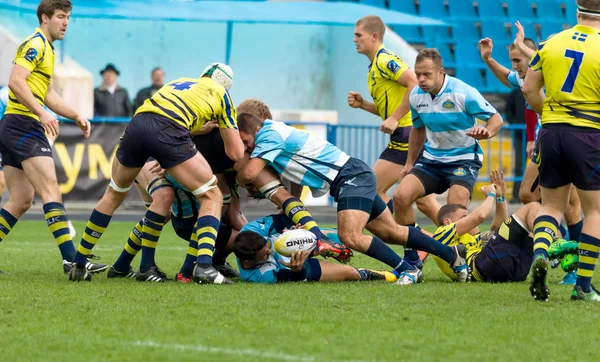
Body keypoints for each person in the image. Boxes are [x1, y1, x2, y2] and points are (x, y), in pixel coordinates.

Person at [237, 112, 470, 285]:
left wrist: (237, 160)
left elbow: (248, 173)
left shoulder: (268, 134)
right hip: (351, 175)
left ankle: (408, 268)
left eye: (245, 142)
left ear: (253, 130)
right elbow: (294, 175)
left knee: (350, 236)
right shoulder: (275, 133)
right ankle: (452, 254)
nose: (246, 148)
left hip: (349, 177)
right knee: (390, 232)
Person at [70, 74, 245, 284]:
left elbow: (165, 114)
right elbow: (236, 153)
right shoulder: (222, 95)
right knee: (212, 195)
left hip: (136, 126)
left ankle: (79, 263)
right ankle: (204, 267)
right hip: (166, 132)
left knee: (115, 194)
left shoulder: (181, 83)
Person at [0, 0, 105, 275]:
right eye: (60, 16)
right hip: (23, 124)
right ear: (45, 18)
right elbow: (15, 80)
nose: (66, 22)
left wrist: (75, 115)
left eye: (68, 17)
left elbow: (47, 94)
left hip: (14, 125)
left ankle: (71, 259)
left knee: (21, 200)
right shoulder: (35, 44)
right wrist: (41, 114)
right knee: (51, 192)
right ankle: (72, 259)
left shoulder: (47, 48)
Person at [522, 0, 600, 302]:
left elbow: (529, 90)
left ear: (577, 11)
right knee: (596, 211)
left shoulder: (550, 43)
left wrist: (552, 116)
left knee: (551, 206)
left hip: (551, 132)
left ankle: (540, 255)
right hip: (590, 134)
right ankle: (582, 286)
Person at [348, 15, 441, 267]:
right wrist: (364, 105)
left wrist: (396, 118)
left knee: (372, 189)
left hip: (406, 135)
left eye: (359, 35)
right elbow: (388, 111)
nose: (354, 39)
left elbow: (414, 83)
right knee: (422, 200)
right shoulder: (374, 65)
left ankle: (418, 244)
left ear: (374, 36)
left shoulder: (385, 60)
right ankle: (461, 243)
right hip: (404, 133)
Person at [478, 22, 584, 242]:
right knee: (528, 194)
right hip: (547, 143)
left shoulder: (550, 73)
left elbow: (546, 58)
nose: (515, 65)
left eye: (518, 60)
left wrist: (524, 46)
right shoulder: (527, 77)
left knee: (571, 207)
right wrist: (488, 59)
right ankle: (558, 238)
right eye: (512, 60)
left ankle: (573, 263)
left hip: (568, 138)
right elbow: (508, 78)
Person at [393, 49, 503, 233]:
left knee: (455, 209)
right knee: (400, 197)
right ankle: (412, 254)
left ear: (440, 72)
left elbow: (496, 119)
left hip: (463, 158)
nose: (420, 79)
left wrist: (487, 131)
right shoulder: (415, 95)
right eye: (417, 74)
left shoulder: (463, 93)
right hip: (431, 160)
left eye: (426, 74)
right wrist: (409, 163)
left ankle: (467, 254)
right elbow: (418, 128)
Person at [431, 170, 544, 283]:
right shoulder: (441, 234)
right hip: (482, 267)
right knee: (532, 207)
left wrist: (500, 197)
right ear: (447, 221)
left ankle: (546, 252)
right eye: (463, 216)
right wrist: (491, 194)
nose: (467, 220)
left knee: (531, 227)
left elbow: (499, 231)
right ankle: (550, 246)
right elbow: (480, 216)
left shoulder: (469, 238)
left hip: (514, 272)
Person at [233, 214, 396, 284]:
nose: (268, 251)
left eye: (267, 246)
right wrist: (297, 271)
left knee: (347, 236)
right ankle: (388, 275)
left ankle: (402, 240)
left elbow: (282, 217)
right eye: (264, 253)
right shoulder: (258, 276)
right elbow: (293, 279)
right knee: (350, 273)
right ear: (247, 261)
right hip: (293, 265)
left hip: (295, 244)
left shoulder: (253, 229)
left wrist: (292, 229)